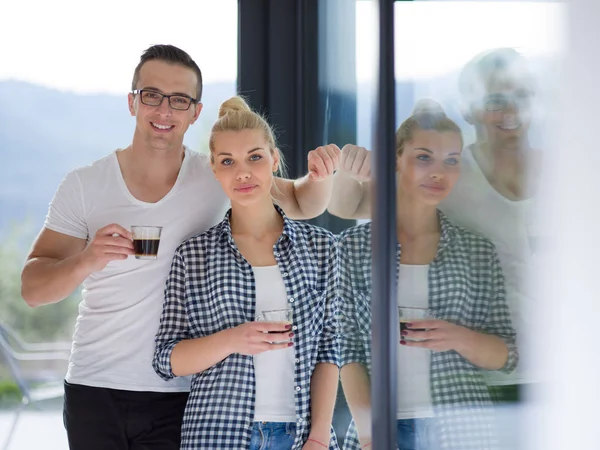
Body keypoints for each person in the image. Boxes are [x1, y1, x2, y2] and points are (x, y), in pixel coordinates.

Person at [20, 44, 341, 450]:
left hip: (183, 396)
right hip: (94, 384)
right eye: (151, 95)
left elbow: (298, 203)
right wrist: (87, 259)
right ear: (132, 102)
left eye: (179, 100)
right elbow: (32, 288)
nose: (164, 111)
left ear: (195, 111)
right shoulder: (85, 184)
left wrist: (322, 175)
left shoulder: (219, 172)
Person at [328, 47, 539, 401]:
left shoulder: (573, 173)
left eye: (522, 96)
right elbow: (346, 206)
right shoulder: (444, 173)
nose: (511, 111)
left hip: (571, 363)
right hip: (480, 378)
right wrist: (353, 168)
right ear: (467, 109)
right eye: (495, 101)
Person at [152, 96, 340, 450]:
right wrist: (232, 339)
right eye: (228, 161)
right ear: (214, 169)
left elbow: (331, 348)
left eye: (255, 157)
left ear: (274, 159)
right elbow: (166, 358)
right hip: (218, 433)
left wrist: (318, 437)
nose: (242, 172)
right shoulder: (194, 255)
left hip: (303, 437)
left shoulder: (322, 248)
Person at [338, 102, 518, 449]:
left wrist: (457, 337)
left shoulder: (478, 251)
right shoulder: (352, 248)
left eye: (451, 160)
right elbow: (345, 351)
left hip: (463, 427)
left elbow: (508, 356)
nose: (439, 172)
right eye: (424, 157)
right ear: (395, 160)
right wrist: (369, 433)